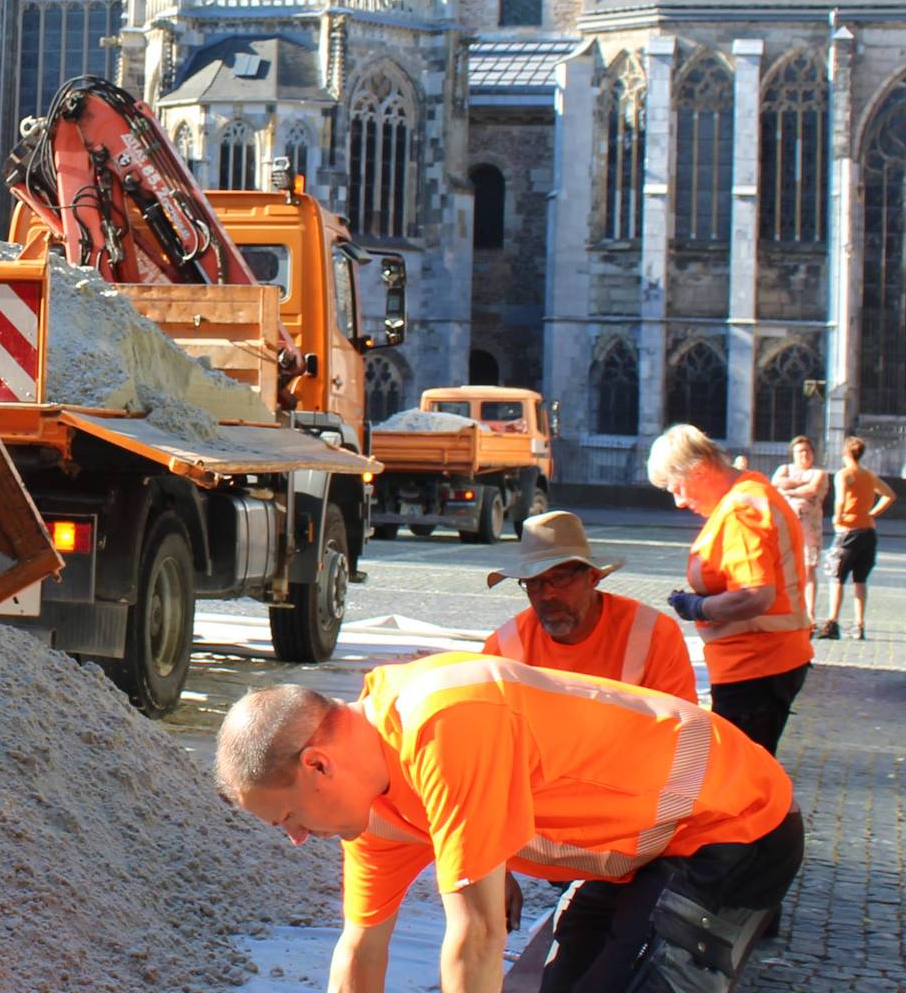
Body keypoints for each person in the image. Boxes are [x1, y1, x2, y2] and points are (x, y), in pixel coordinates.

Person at [215, 654, 803, 993]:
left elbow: (478, 936)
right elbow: (362, 949)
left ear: (318, 764)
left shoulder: (444, 727)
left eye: (287, 817)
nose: (294, 837)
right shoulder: (372, 809)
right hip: (645, 848)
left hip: (735, 820)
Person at [651, 425, 813, 755]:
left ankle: (778, 809)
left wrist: (697, 607)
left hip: (755, 664)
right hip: (767, 660)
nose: (679, 501)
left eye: (677, 488)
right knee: (753, 771)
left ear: (698, 471)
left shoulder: (740, 510)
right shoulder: (750, 492)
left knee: (739, 778)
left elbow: (755, 595)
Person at [481, 510, 697, 702]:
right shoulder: (504, 646)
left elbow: (683, 728)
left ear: (592, 577)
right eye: (533, 583)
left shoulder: (654, 635)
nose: (547, 594)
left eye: (560, 579)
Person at [825, 438, 895, 640]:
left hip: (849, 531)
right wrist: (872, 513)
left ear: (845, 453)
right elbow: (889, 495)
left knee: (837, 577)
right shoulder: (869, 475)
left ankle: (832, 622)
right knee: (860, 580)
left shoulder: (844, 474)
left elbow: (840, 500)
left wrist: (837, 518)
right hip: (868, 532)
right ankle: (859, 624)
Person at [770, 437, 831, 635]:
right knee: (784, 569)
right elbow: (774, 485)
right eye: (799, 452)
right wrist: (798, 486)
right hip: (784, 527)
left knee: (808, 570)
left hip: (809, 529)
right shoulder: (784, 469)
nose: (803, 455)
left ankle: (810, 614)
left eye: (807, 451)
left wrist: (788, 490)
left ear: (812, 453)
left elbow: (813, 490)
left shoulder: (819, 473)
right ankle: (786, 611)